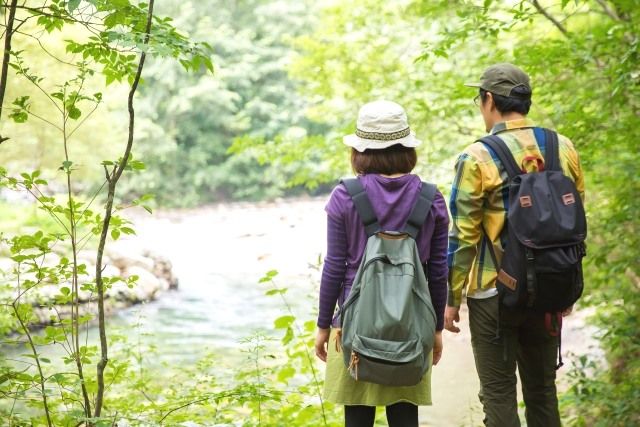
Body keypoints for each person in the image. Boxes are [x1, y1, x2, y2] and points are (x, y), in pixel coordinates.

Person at [445, 63, 585, 426]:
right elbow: (575, 218)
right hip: (548, 289)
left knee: (499, 396)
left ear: (489, 99)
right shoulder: (562, 146)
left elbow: (463, 236)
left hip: (494, 294)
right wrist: (563, 283)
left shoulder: (476, 157)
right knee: (542, 393)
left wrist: (450, 298)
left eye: (480, 99)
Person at [314, 100, 449, 427]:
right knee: (405, 416)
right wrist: (436, 329)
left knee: (356, 418)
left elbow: (334, 265)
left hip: (352, 324)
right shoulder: (431, 198)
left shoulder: (345, 195)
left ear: (360, 150)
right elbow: (438, 271)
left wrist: (323, 325)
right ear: (407, 148)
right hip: (412, 325)